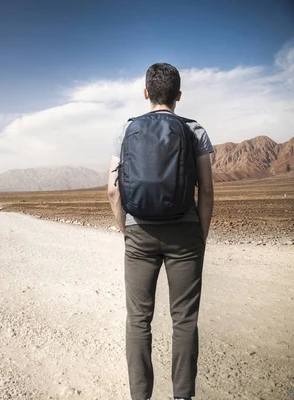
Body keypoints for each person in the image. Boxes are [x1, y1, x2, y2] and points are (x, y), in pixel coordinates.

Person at [107, 63, 214, 400]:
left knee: (138, 319)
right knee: (184, 320)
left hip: (139, 231)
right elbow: (207, 191)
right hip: (185, 232)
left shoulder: (126, 130)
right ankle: (182, 396)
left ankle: (140, 396)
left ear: (145, 93)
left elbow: (112, 189)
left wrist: (126, 229)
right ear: (178, 96)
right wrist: (201, 235)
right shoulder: (194, 129)